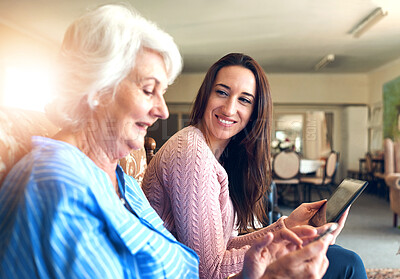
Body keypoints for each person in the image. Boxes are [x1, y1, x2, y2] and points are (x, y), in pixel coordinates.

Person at [0, 4, 333, 279]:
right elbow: (207, 269)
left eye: (162, 92)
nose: (161, 110)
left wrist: (274, 244)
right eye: (148, 90)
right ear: (97, 90)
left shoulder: (120, 183)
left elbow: (194, 263)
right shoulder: (55, 187)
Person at [142, 53, 367, 279]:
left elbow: (224, 246)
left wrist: (287, 227)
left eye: (244, 100)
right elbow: (210, 271)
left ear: (254, 112)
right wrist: (281, 247)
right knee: (346, 263)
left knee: (336, 256)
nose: (230, 109)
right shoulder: (192, 152)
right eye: (222, 92)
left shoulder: (217, 154)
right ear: (206, 95)